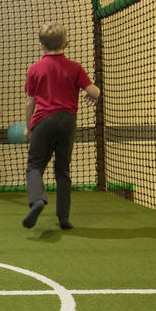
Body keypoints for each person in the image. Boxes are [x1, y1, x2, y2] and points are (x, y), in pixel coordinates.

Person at [22, 23, 100, 230]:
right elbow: (94, 91)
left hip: (43, 121)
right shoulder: (75, 67)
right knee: (62, 170)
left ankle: (38, 200)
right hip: (67, 121)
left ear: (41, 46)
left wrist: (29, 127)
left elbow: (30, 102)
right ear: (66, 44)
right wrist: (91, 94)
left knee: (35, 166)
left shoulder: (34, 69)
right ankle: (63, 218)